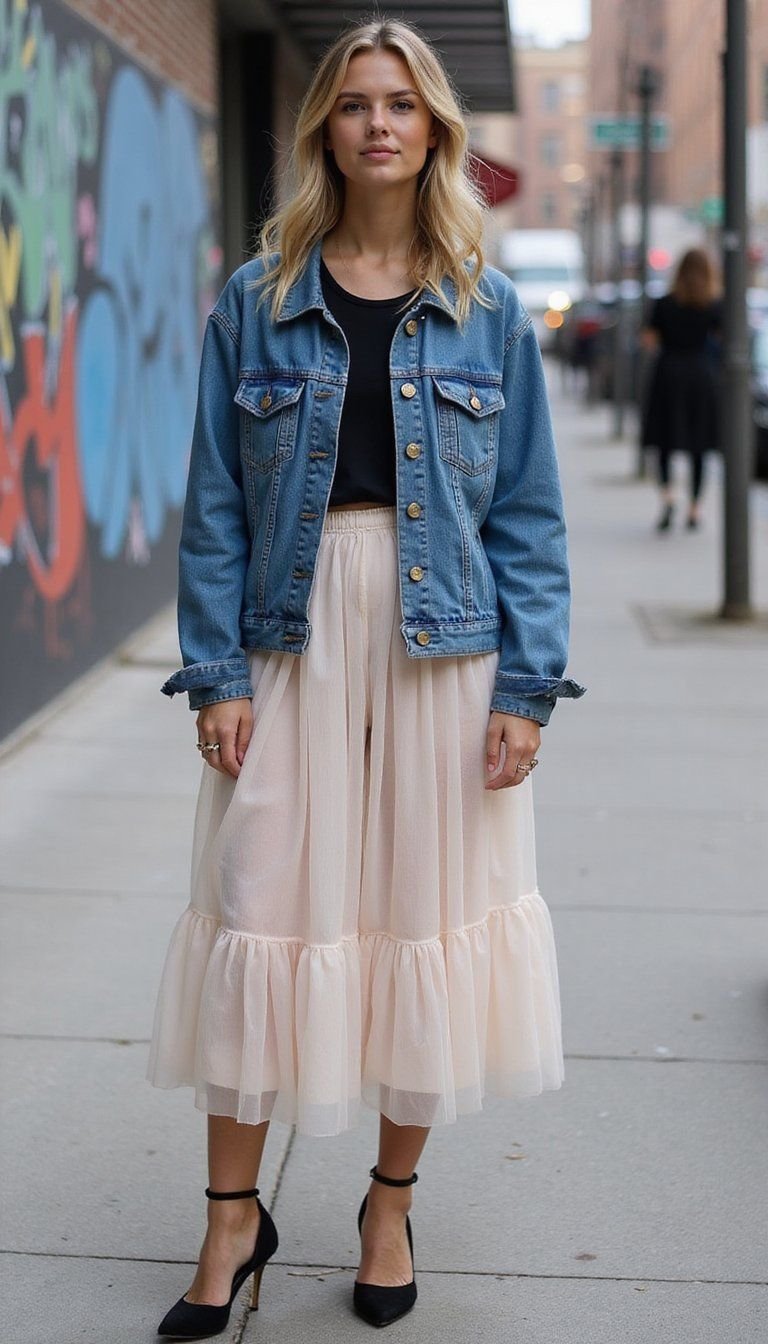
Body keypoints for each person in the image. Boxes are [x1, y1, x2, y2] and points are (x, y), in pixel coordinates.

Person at [146, 14, 585, 1339]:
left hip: (444, 649)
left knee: (417, 925)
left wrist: (526, 691)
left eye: (401, 103)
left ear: (435, 129)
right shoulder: (257, 296)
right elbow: (216, 502)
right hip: (290, 642)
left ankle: (389, 1202)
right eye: (355, 104)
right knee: (256, 909)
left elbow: (529, 514)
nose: (378, 123)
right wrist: (214, 668)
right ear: (325, 128)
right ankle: (232, 1218)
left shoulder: (487, 306)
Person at [640, 247, 723, 531]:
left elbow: (649, 341)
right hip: (701, 376)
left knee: (663, 442)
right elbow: (724, 341)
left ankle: (668, 497)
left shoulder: (664, 303)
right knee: (699, 446)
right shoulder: (714, 304)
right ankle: (695, 509)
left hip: (669, 374)